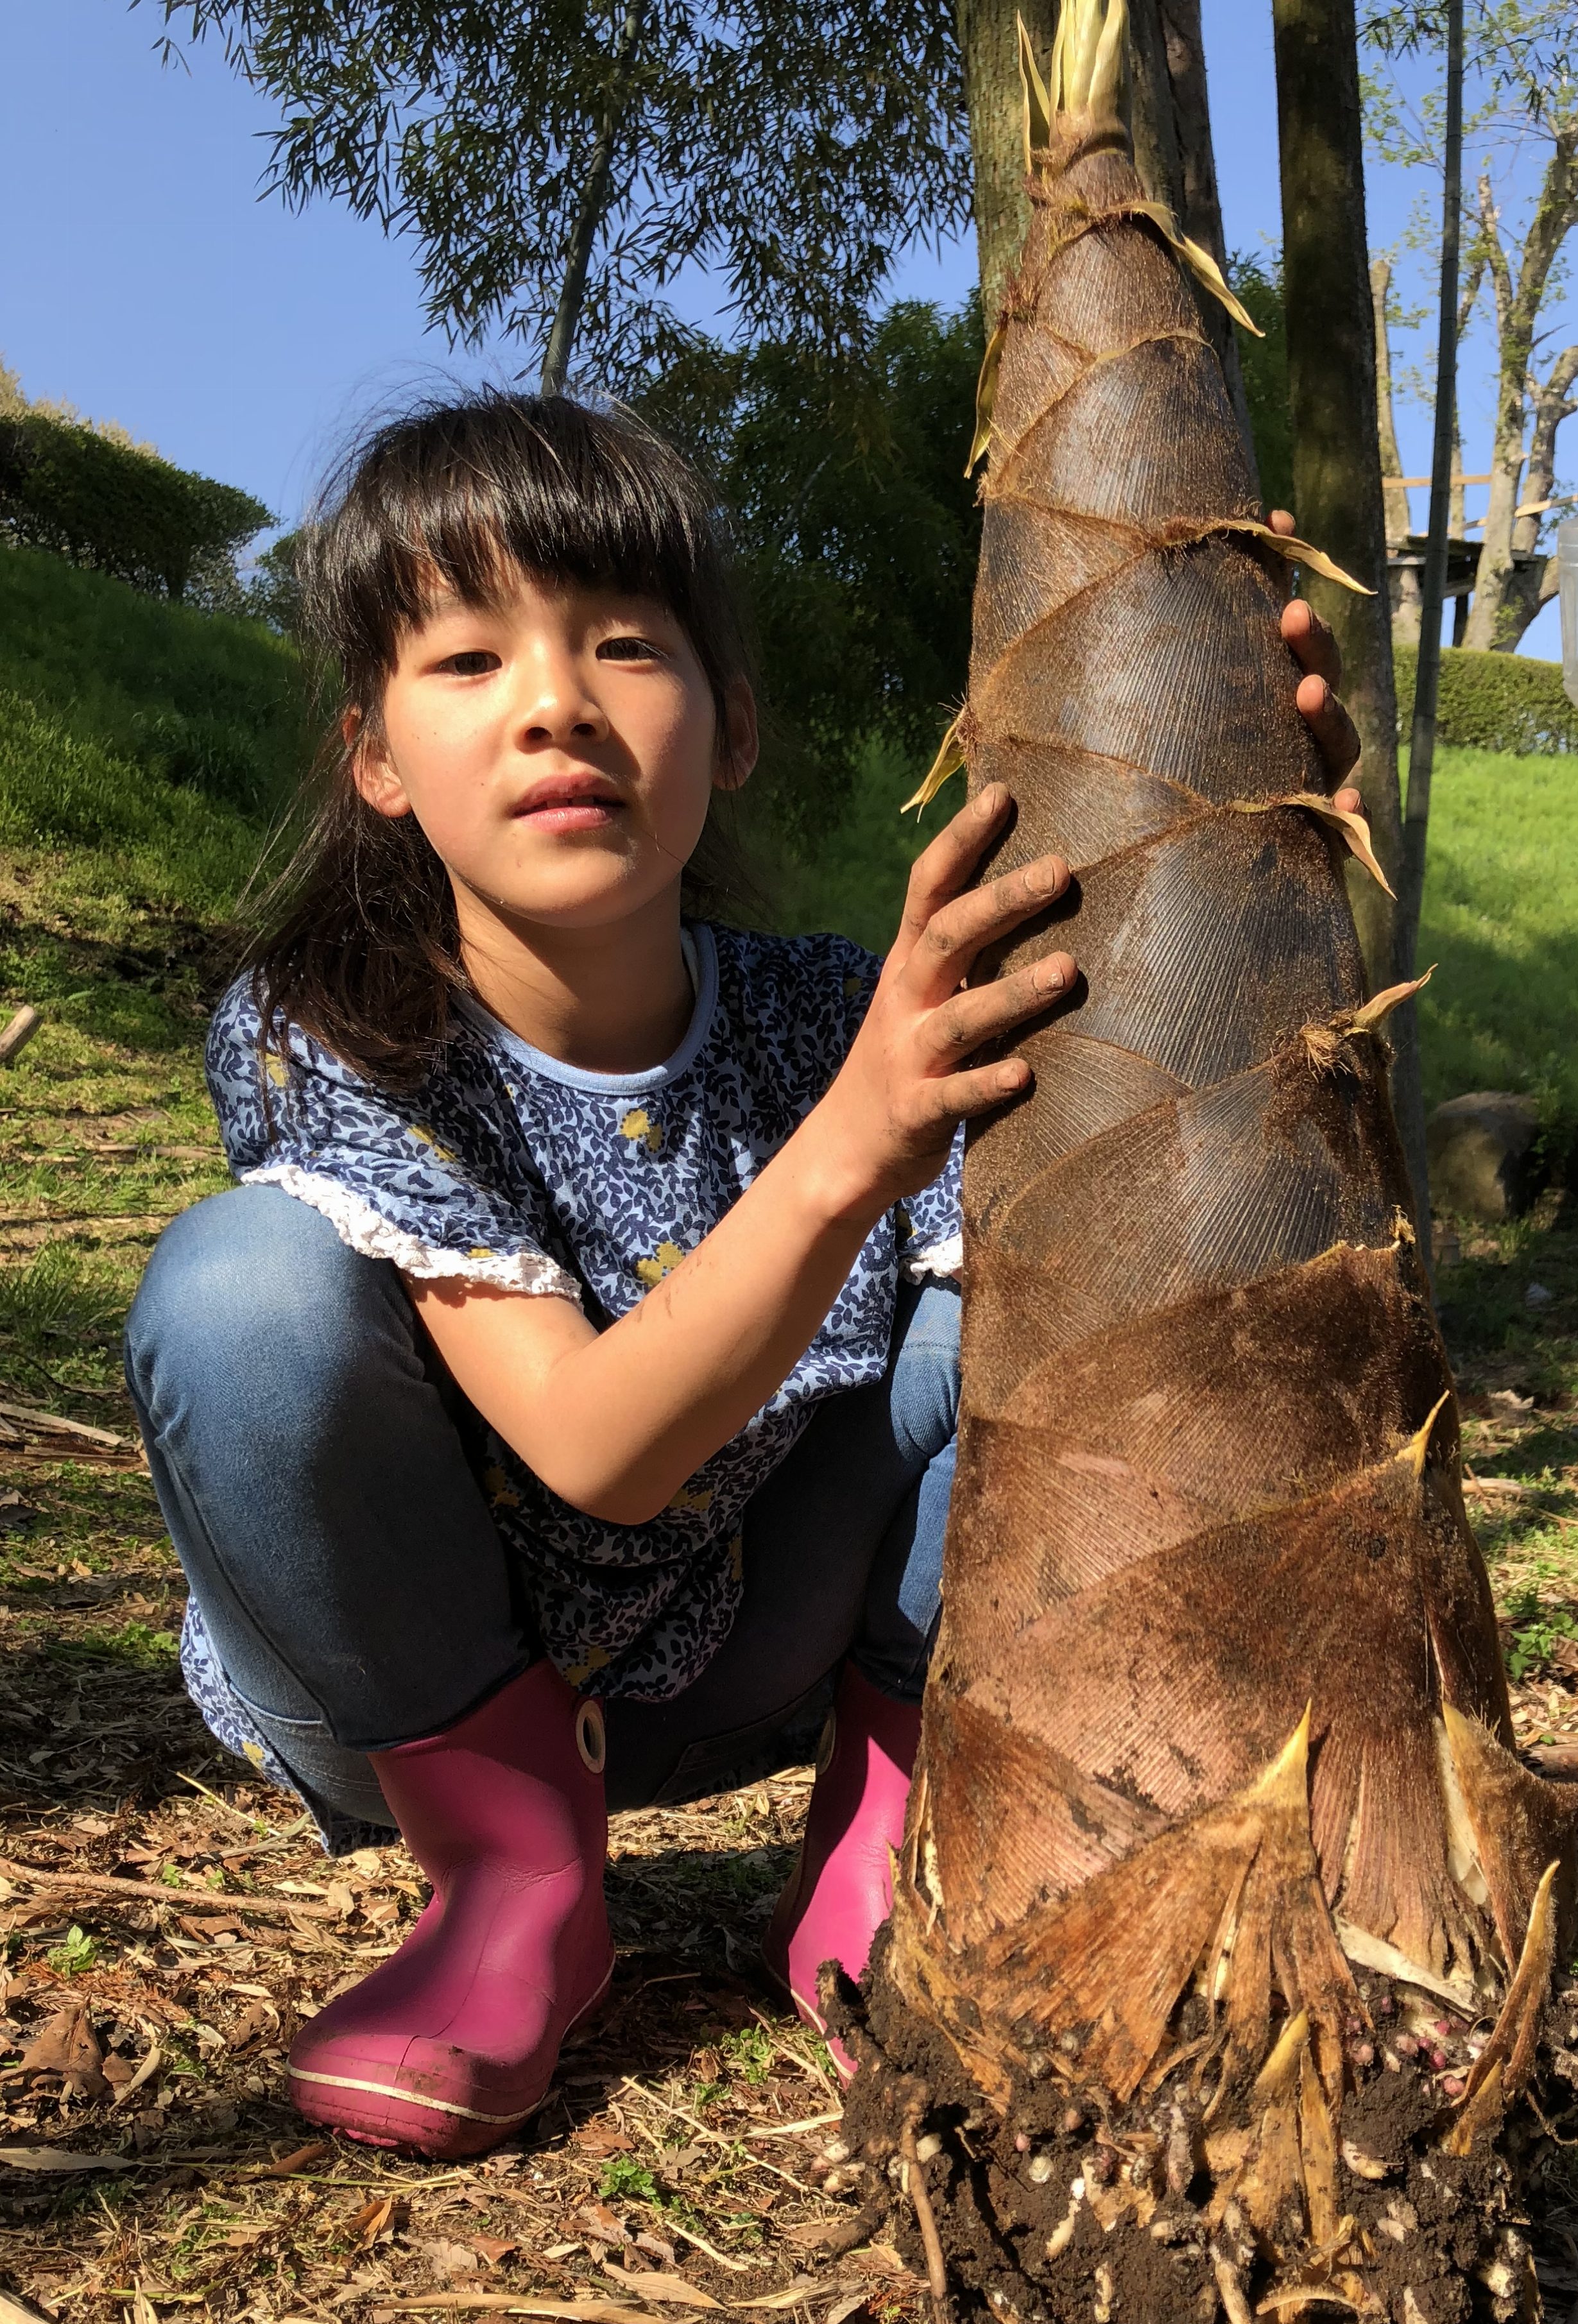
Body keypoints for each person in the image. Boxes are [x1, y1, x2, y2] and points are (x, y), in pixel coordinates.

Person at [124, 390, 1364, 2161]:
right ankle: (512, 1882)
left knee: (1022, 1296)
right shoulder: (330, 1029)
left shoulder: (830, 1011)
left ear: (735, 727)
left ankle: (887, 1830)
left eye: (626, 644)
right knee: (241, 1290)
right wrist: (854, 1142)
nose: (556, 702)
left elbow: (1149, 1217)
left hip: (749, 1652)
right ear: (375, 758)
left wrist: (1249, 838)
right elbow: (597, 1455)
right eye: (468, 659)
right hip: (399, 1683)